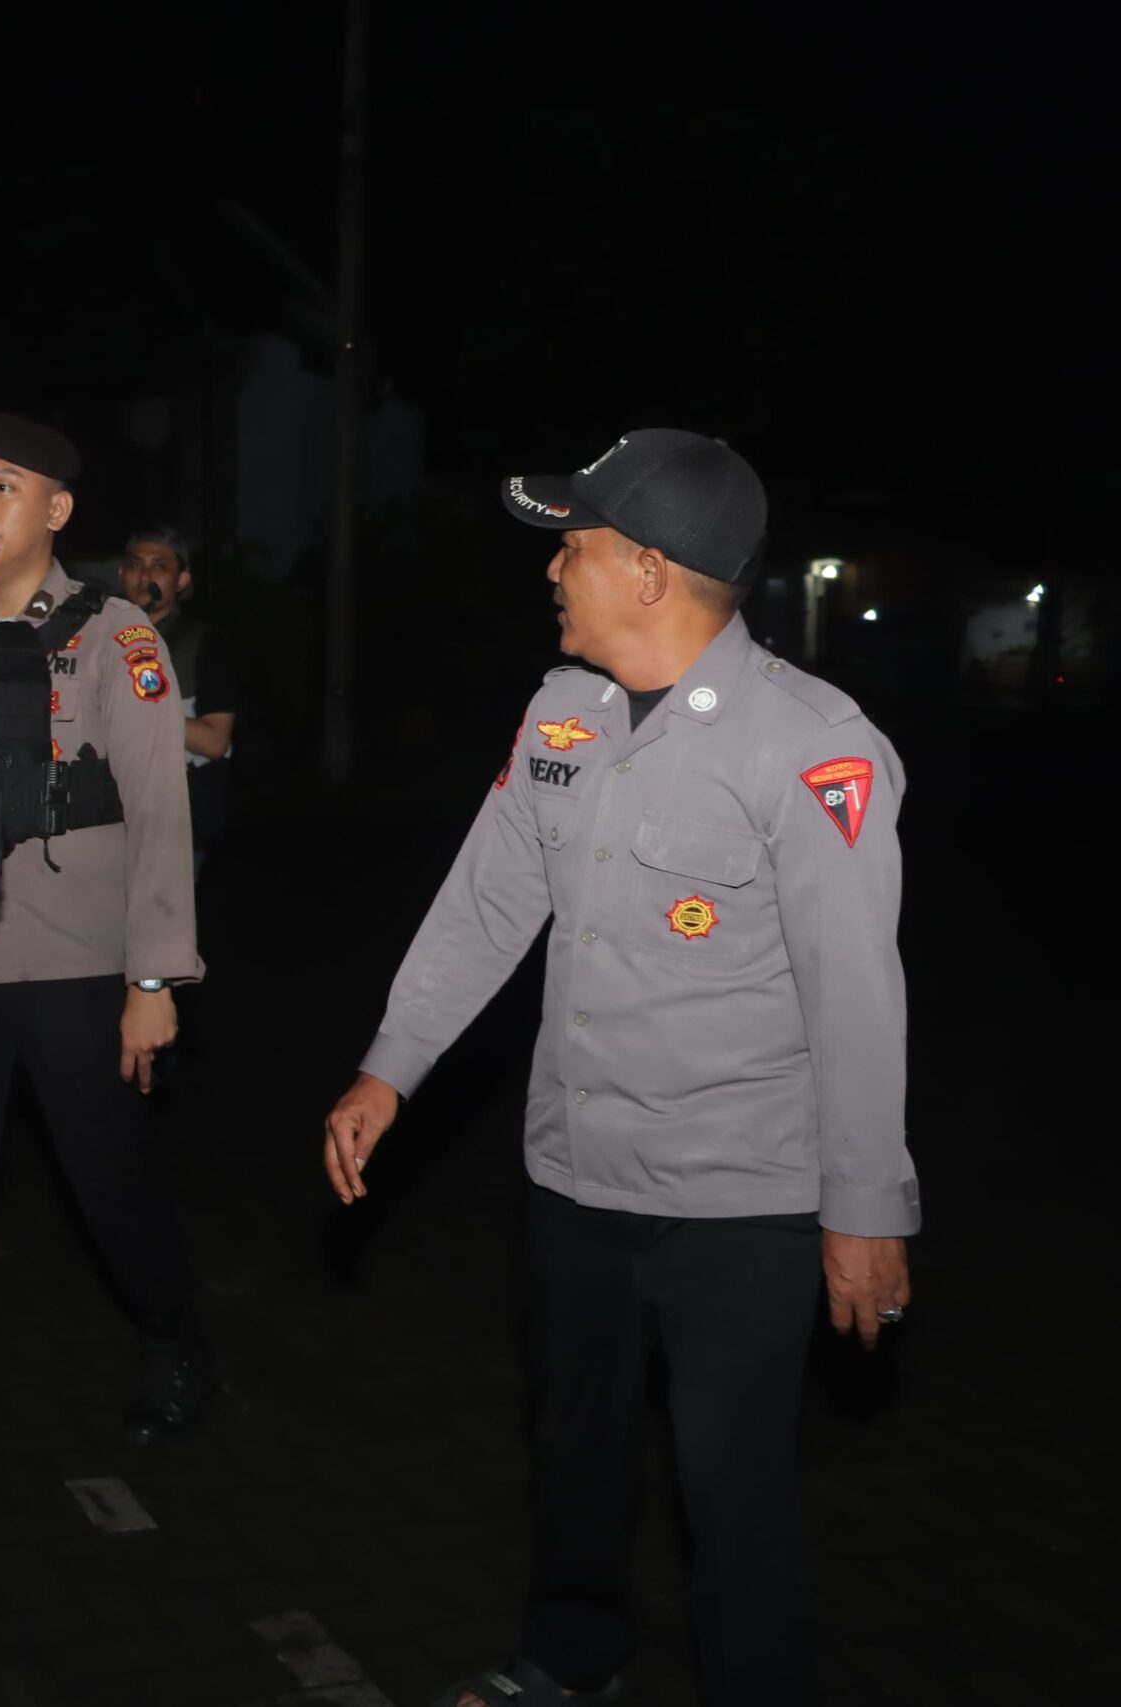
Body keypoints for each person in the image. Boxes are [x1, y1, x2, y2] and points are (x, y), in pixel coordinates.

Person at [320, 430, 916, 1707]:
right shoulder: (563, 713)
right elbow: (486, 904)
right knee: (573, 1457)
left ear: (648, 571)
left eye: (575, 546)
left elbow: (856, 996)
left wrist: (865, 1208)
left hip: (739, 1206)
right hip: (574, 1176)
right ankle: (566, 1661)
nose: (552, 569)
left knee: (731, 1493)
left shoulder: (813, 748)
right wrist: (390, 1067)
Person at [0, 415, 211, 1469]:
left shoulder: (117, 636)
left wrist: (154, 978)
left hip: (79, 967)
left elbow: (161, 811)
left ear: (57, 510)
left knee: (108, 1183)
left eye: (4, 487)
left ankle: (171, 1341)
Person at [117, 526, 237, 874]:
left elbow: (215, 741)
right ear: (121, 573)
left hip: (173, 828)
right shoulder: (97, 638)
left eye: (160, 566)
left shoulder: (204, 643)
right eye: (136, 565)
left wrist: (139, 708)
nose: (145, 576)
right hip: (105, 824)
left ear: (182, 579)